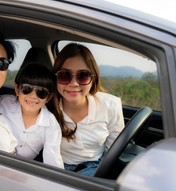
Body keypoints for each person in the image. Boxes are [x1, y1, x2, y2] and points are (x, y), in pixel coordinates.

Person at [47, 43, 124, 176]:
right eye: (65, 75)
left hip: (98, 167)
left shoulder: (110, 105)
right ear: (55, 78)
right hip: (58, 168)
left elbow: (115, 150)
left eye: (83, 76)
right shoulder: (46, 107)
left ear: (93, 79)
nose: (74, 83)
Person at [0, 63, 64, 168]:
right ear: (17, 89)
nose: (33, 96)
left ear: (48, 98)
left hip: (21, 171)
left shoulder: (51, 125)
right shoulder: (3, 103)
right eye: (27, 89)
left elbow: (53, 161)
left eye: (41, 92)